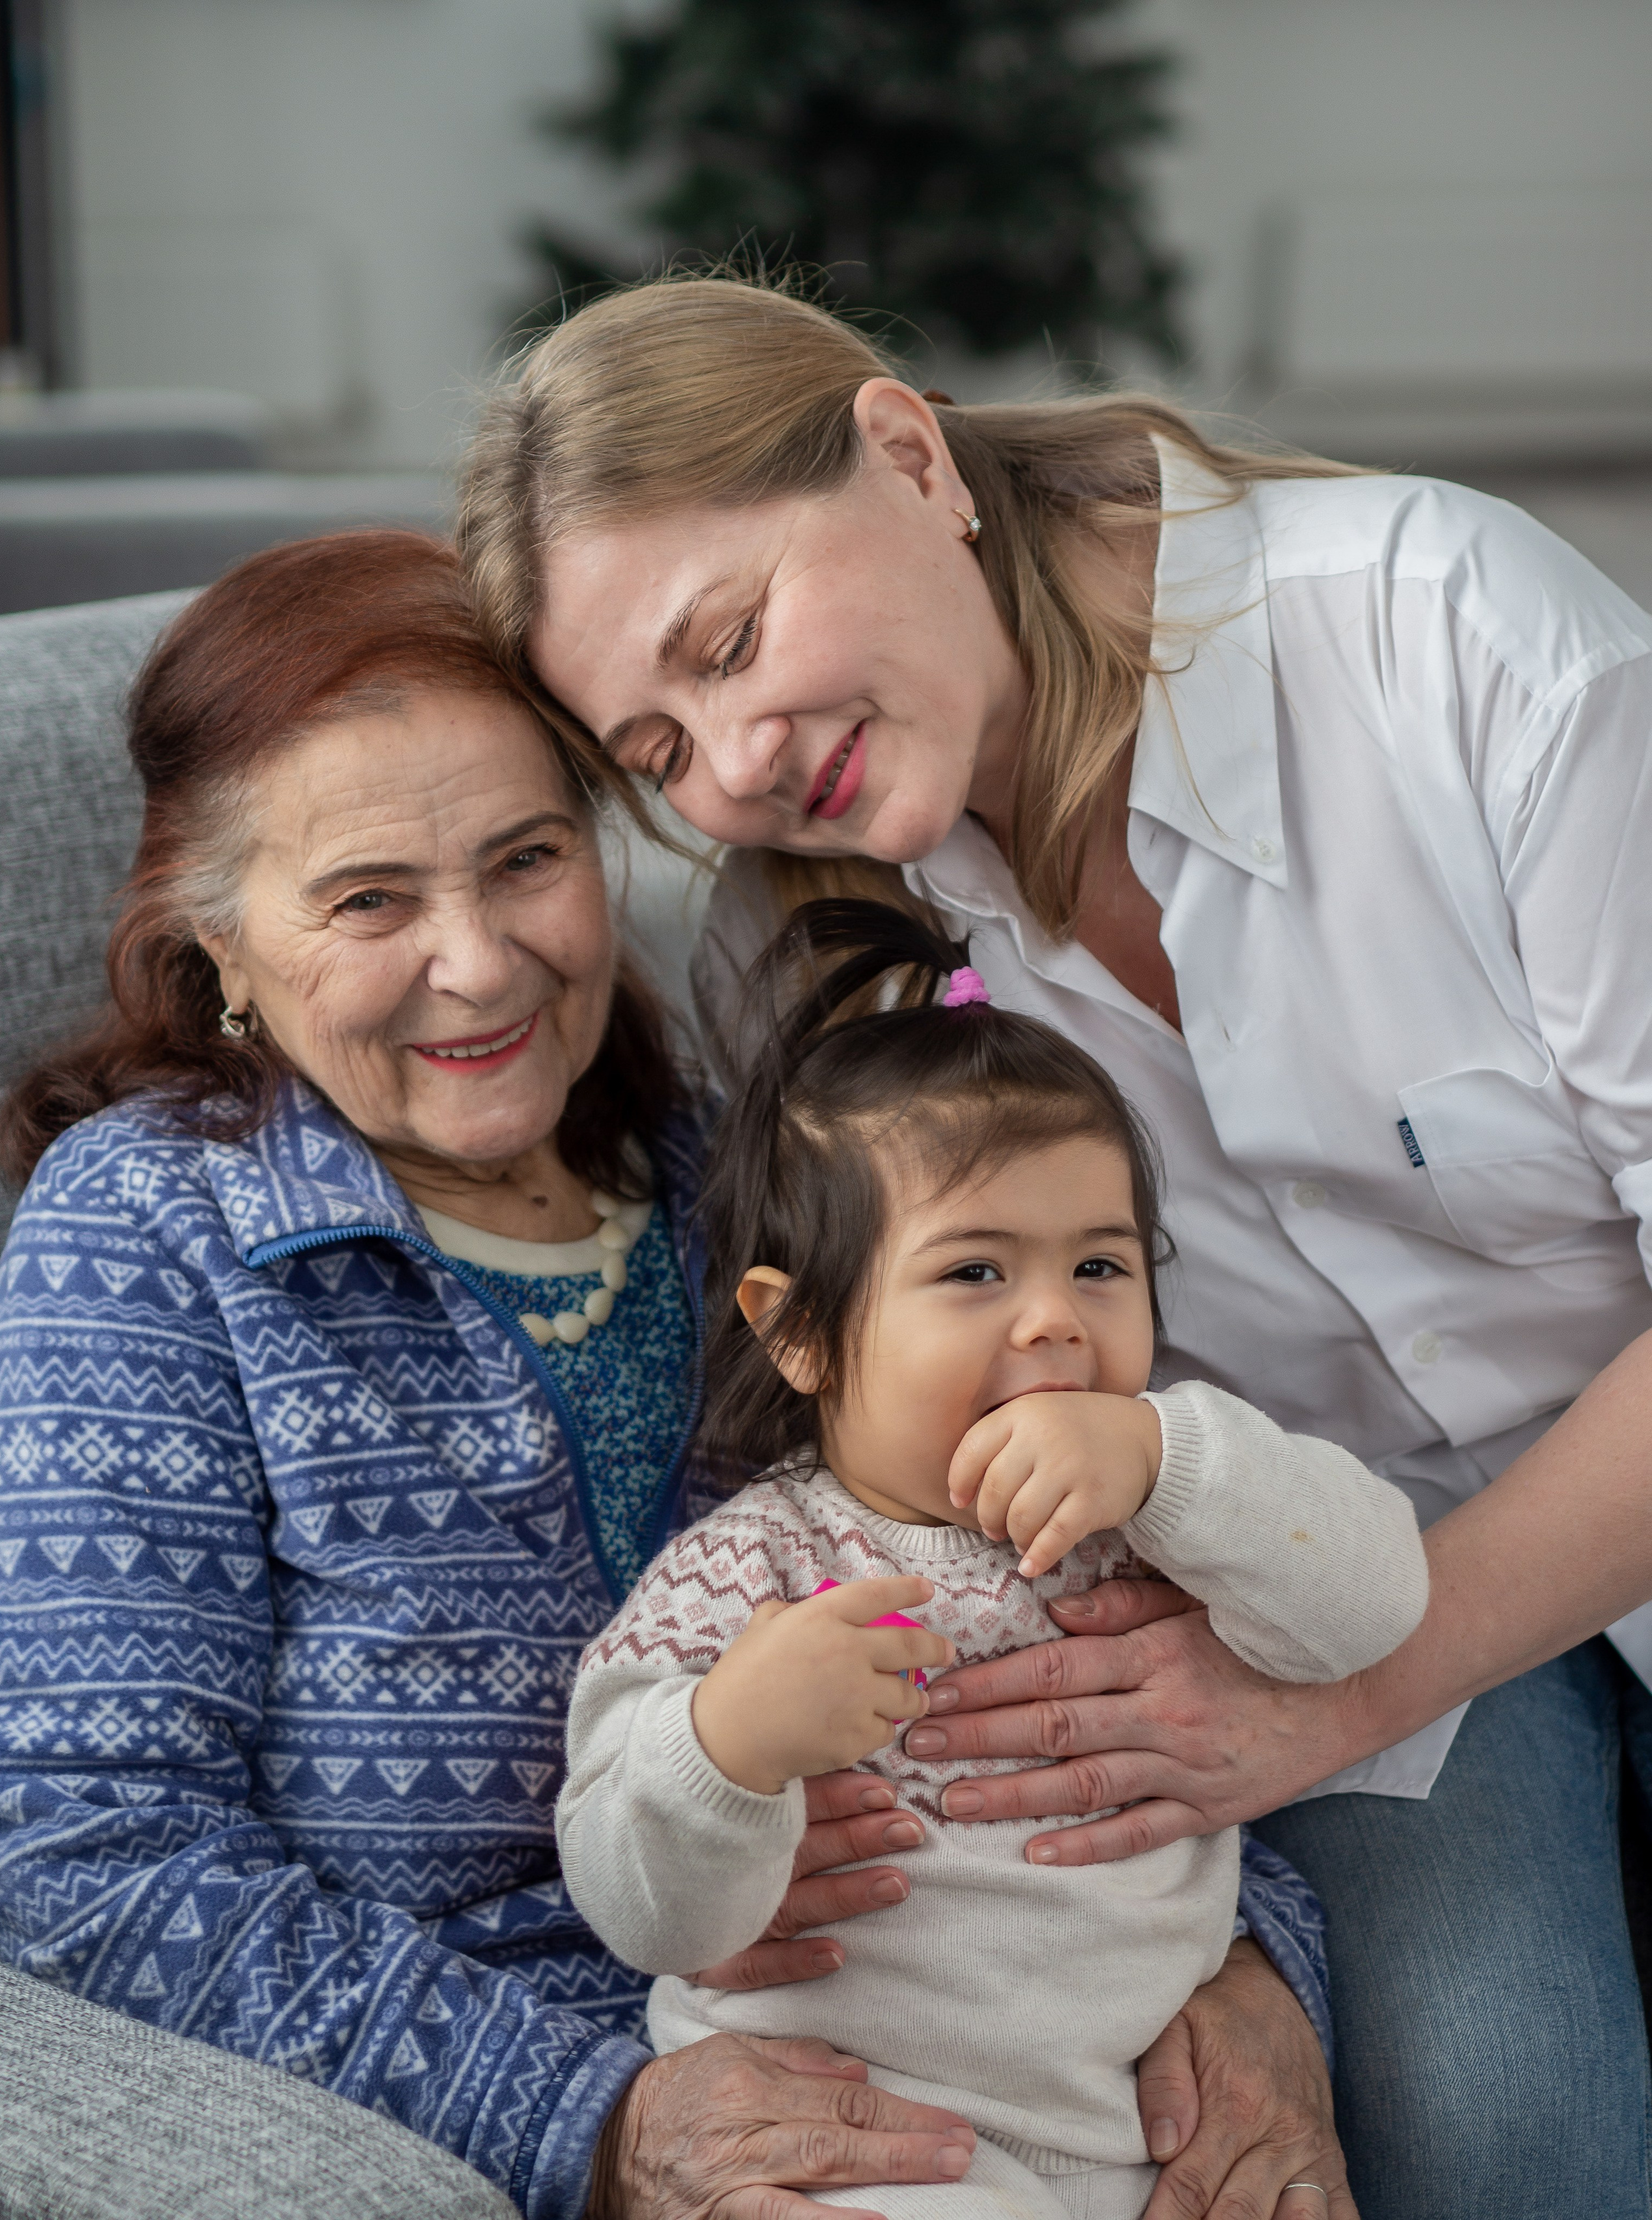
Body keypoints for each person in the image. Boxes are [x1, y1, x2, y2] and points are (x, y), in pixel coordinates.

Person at [458, 271, 1652, 2219]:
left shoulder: (1445, 629)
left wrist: (1334, 1699)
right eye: (659, 746)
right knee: (1491, 2125)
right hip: (1299, 1549)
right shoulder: (807, 944)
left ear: (911, 455)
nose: (738, 761)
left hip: (1429, 1574)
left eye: (734, 636)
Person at [0, 529, 1018, 2220]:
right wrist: (602, 2115)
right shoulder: (152, 1228)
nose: (477, 961)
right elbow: (87, 1854)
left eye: (527, 858)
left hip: (970, 2018)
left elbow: (1062, 1576)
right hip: (530, 2096)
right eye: (369, 898)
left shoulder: (742, 1181)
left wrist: (1231, 1974)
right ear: (219, 938)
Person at [559, 900, 1428, 2220]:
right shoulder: (749, 1577)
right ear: (796, 1331)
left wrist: (1169, 1459)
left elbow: (1373, 1606)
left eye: (1097, 1265)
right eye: (973, 1272)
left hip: (1143, 2128)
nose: (1051, 1323)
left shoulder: (1168, 1513)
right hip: (865, 2140)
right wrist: (724, 1745)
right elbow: (644, 1912)